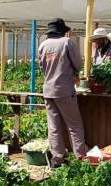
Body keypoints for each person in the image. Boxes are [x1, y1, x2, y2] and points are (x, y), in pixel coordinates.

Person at [38, 18, 88, 167]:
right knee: (74, 125)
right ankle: (80, 157)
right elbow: (78, 65)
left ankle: (57, 159)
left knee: (53, 126)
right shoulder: (67, 42)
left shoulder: (43, 45)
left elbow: (42, 66)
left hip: (48, 91)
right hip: (65, 91)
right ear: (62, 30)